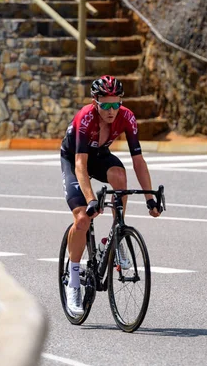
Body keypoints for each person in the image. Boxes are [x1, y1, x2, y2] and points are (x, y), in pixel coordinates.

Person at [60, 75, 162, 317]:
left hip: (100, 156)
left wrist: (150, 198)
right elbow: (80, 165)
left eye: (115, 104)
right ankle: (73, 282)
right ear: (95, 103)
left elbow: (138, 161)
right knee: (83, 219)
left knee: (119, 175)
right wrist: (91, 199)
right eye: (105, 105)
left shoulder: (126, 116)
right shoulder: (85, 117)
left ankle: (118, 234)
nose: (111, 110)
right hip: (75, 158)